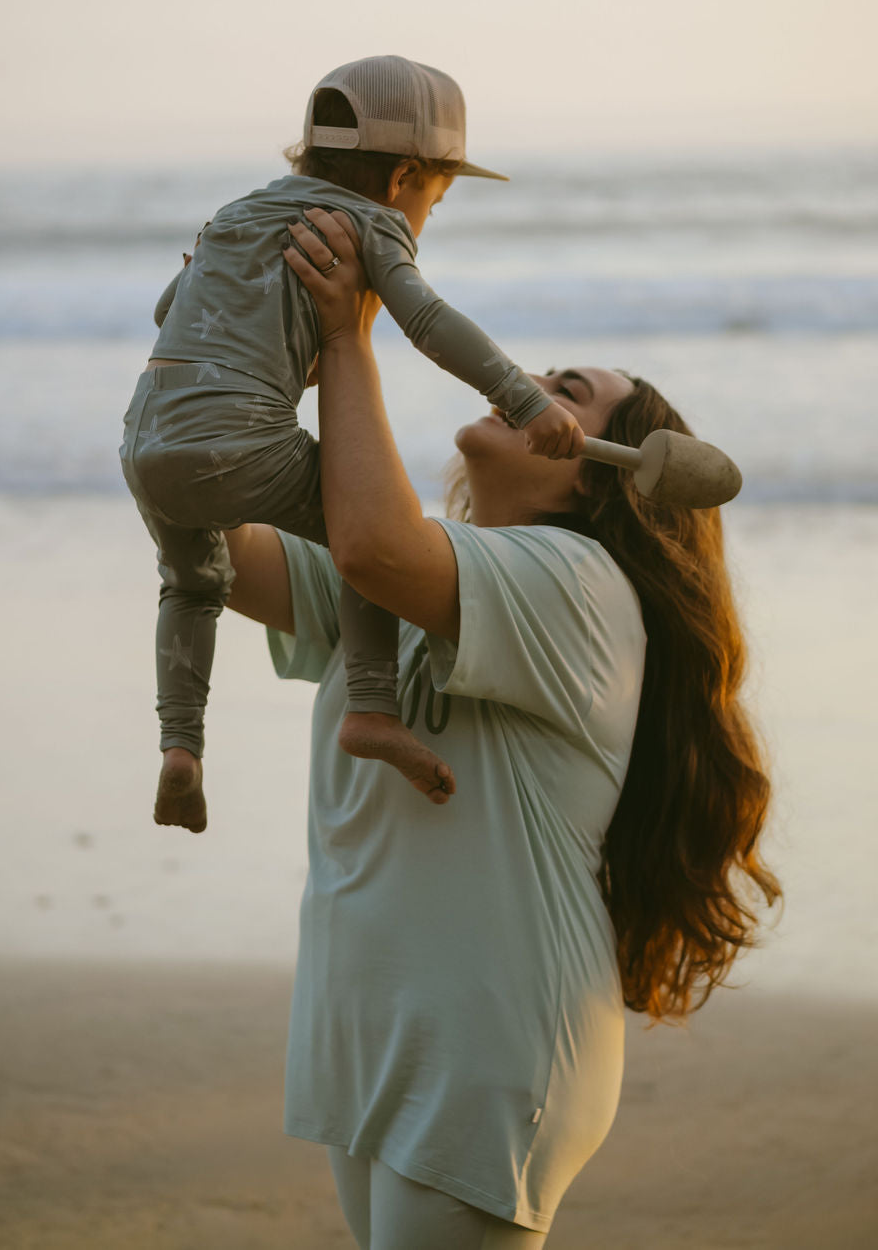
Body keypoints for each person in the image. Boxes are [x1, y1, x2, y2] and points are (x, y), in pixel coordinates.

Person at [219, 209, 780, 1247]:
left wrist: (348, 334)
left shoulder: (581, 584)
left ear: (602, 473)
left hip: (490, 1041)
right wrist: (238, 330)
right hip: (372, 1029)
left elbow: (375, 545)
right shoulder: (408, 569)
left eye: (565, 390)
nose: (519, 381)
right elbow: (217, 543)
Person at [119, 55, 582, 836]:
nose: (425, 218)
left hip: (145, 435)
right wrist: (524, 399)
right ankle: (371, 707)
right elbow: (428, 323)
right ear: (404, 178)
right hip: (238, 438)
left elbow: (172, 305)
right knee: (360, 527)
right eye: (436, 200)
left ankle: (181, 748)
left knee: (192, 586)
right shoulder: (370, 224)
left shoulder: (235, 212)